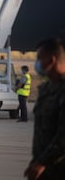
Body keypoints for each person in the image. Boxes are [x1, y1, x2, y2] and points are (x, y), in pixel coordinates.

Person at [24, 37, 65, 180]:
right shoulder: (47, 89)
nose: (37, 63)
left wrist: (42, 162)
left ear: (52, 61)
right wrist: (37, 161)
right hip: (44, 169)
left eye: (40, 58)